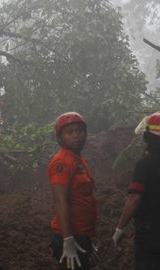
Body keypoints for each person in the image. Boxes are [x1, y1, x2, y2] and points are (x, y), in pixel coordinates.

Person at [112, 111, 160, 270]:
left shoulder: (144, 165)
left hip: (148, 235)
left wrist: (120, 228)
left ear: (148, 138)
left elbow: (134, 199)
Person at [48, 112, 99, 270]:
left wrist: (87, 241)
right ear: (59, 138)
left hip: (81, 235)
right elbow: (60, 201)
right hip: (71, 236)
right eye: (69, 132)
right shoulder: (61, 162)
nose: (76, 135)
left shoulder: (77, 160)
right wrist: (68, 239)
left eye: (79, 130)